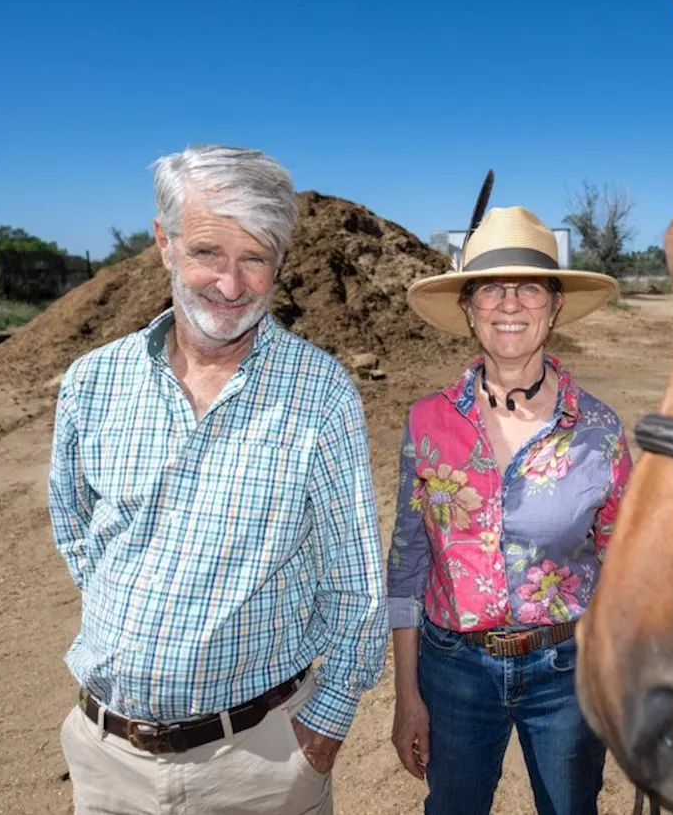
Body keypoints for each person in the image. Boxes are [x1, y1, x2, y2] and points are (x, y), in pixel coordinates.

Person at [47, 143, 387, 815]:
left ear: (279, 266)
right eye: (207, 252)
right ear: (164, 245)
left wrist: (323, 727)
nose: (231, 286)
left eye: (254, 258)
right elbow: (77, 530)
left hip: (259, 767)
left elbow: (356, 584)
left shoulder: (320, 394)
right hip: (107, 762)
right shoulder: (93, 382)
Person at [386, 205, 634, 815]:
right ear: (468, 310)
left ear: (553, 306)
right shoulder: (427, 423)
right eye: (491, 288)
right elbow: (408, 565)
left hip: (567, 675)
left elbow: (625, 562)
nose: (510, 304)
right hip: (453, 672)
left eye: (529, 287)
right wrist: (407, 694)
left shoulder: (598, 430)